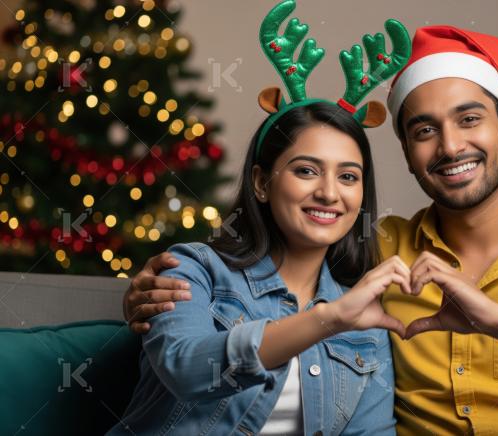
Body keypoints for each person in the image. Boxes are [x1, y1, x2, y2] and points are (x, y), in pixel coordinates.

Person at [124, 24, 498, 435]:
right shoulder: (374, 254)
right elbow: (266, 282)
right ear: (407, 153)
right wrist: (147, 291)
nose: (451, 146)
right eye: (424, 131)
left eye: (470, 119)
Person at [109, 1, 413, 435]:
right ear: (261, 183)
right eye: (306, 170)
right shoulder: (194, 270)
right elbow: (187, 370)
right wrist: (328, 319)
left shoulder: (363, 320)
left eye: (348, 176)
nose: (329, 192)